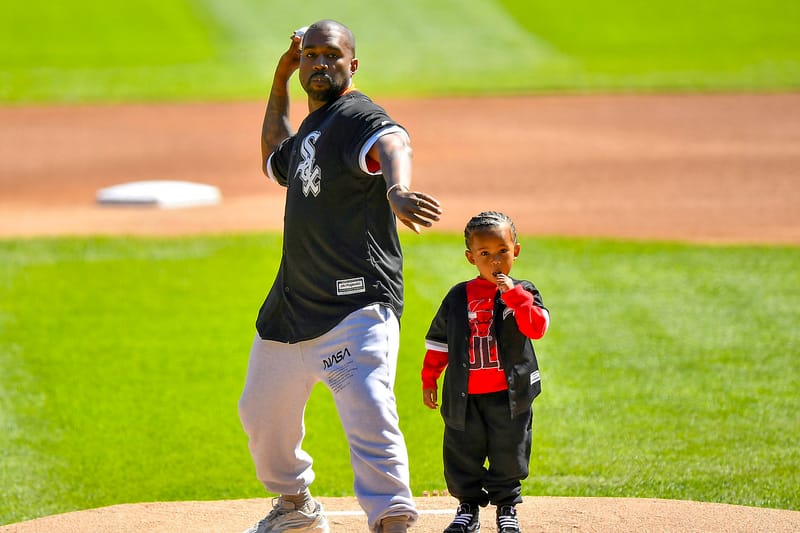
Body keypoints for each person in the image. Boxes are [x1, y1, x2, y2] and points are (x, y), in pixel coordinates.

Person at [238, 19, 442, 533]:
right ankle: (295, 507)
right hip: (292, 309)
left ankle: (392, 518)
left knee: (370, 411)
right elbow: (272, 158)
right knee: (261, 417)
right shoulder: (314, 126)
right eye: (310, 55)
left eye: (331, 55)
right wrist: (278, 80)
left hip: (356, 308)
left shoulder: (355, 115)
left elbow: (393, 141)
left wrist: (397, 190)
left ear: (352, 65)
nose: (320, 63)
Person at [421, 212, 550, 533]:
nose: (495, 261)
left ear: (516, 251)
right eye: (485, 254)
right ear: (471, 258)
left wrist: (515, 296)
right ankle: (467, 508)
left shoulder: (525, 291)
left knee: (509, 451)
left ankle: (506, 508)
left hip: (509, 394)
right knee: (462, 452)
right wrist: (429, 378)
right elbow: (439, 341)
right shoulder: (458, 296)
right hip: (465, 395)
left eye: (502, 252)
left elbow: (537, 328)